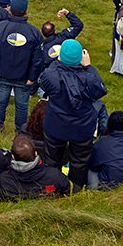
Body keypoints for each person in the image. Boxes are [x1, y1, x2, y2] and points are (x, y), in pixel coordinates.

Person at [36, 39, 108, 187]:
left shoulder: (51, 74)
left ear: (60, 56)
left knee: (52, 160)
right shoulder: (89, 77)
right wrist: (89, 67)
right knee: (80, 162)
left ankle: (53, 186)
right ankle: (75, 188)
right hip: (81, 127)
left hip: (56, 124)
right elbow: (100, 90)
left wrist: (58, 62)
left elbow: (43, 81)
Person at [0, 0, 44, 132]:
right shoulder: (34, 32)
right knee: (21, 106)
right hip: (22, 78)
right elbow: (38, 59)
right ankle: (19, 130)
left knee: (0, 103)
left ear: (9, 9)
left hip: (5, 75)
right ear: (26, 10)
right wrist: (32, 77)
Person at [0, 133, 74, 198]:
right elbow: (71, 190)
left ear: (13, 157)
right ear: (36, 153)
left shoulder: (5, 180)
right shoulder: (55, 176)